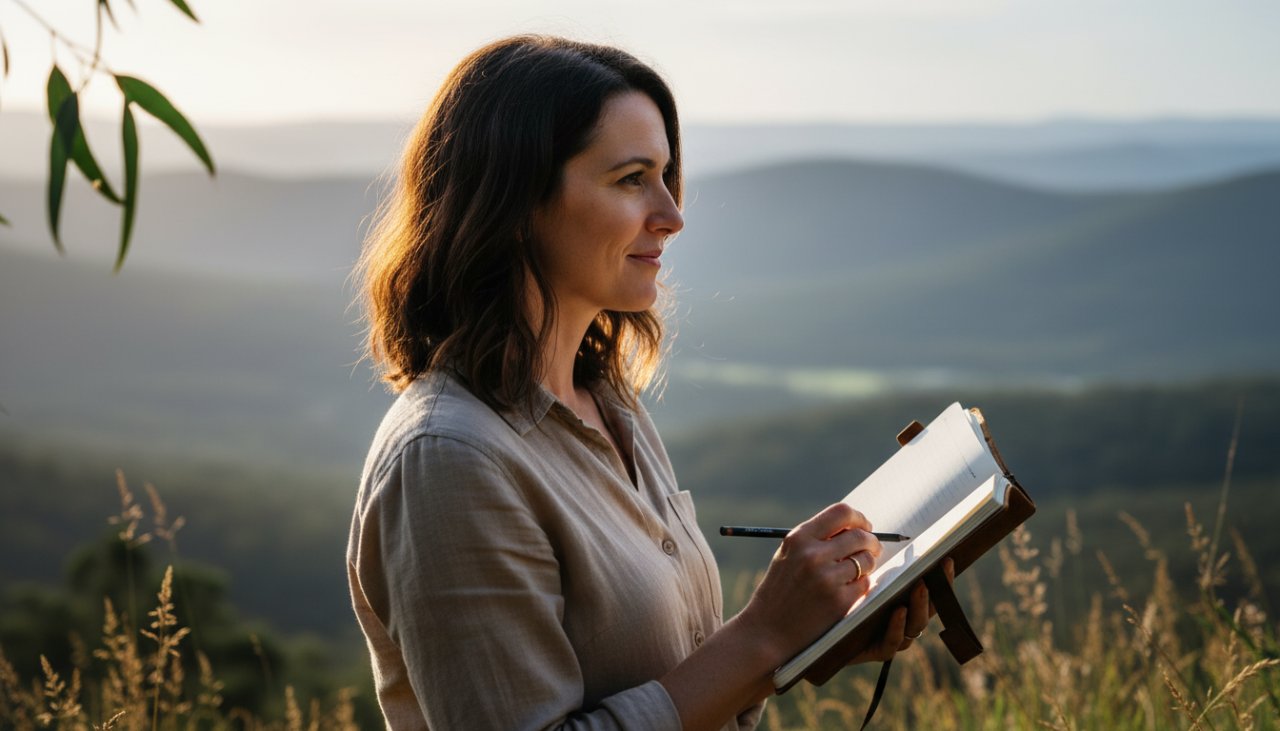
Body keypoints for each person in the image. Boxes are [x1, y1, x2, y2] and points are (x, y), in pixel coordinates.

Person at [347, 35, 940, 731]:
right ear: (514, 201)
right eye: (632, 179)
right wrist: (762, 635)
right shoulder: (450, 460)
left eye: (665, 176)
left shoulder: (607, 405)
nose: (672, 216)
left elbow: (673, 680)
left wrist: (804, 637)